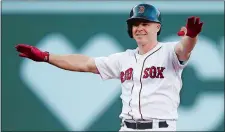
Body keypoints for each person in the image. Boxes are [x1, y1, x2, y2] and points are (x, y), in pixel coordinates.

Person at [15, 3, 203, 131]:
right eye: (135, 24)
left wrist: (192, 36)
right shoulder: (124, 58)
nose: (139, 28)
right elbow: (86, 63)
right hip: (127, 127)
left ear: (157, 27)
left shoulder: (169, 52)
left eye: (145, 23)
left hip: (160, 128)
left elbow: (184, 48)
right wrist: (47, 57)